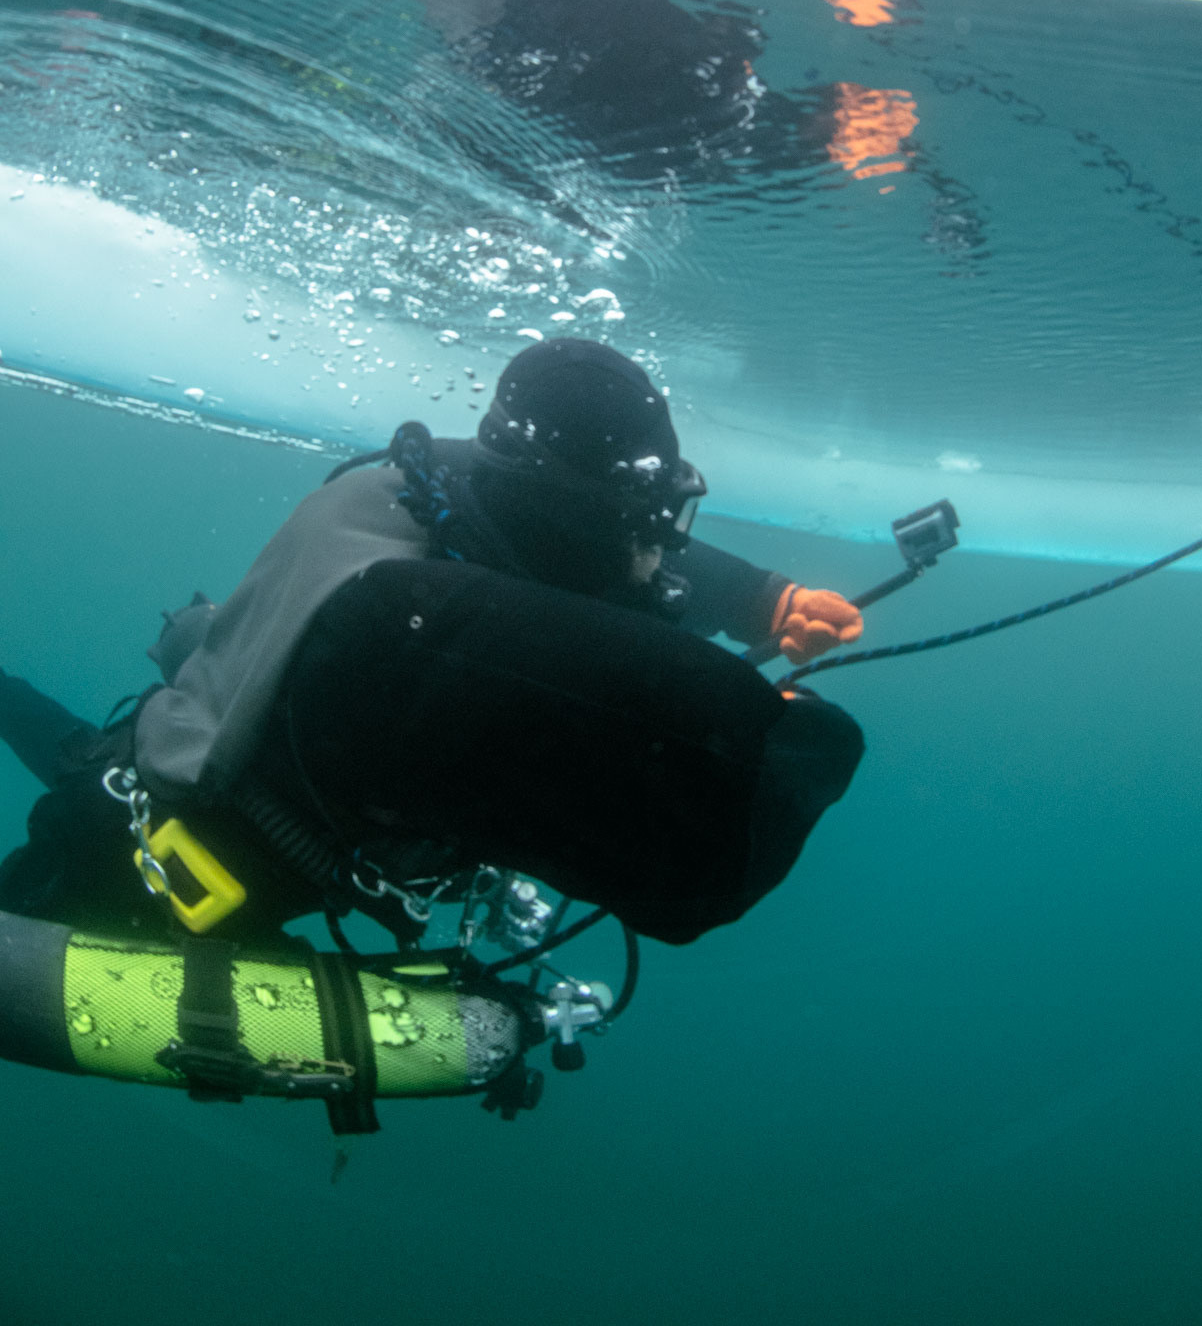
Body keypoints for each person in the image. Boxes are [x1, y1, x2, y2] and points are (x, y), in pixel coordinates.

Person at [0, 340, 866, 949]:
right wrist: (803, 735)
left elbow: (586, 536)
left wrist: (763, 597)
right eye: (652, 526)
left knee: (82, 757)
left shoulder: (423, 486)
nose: (667, 550)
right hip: (160, 871)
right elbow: (710, 869)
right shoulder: (427, 641)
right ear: (575, 526)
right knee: (53, 887)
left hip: (178, 733)